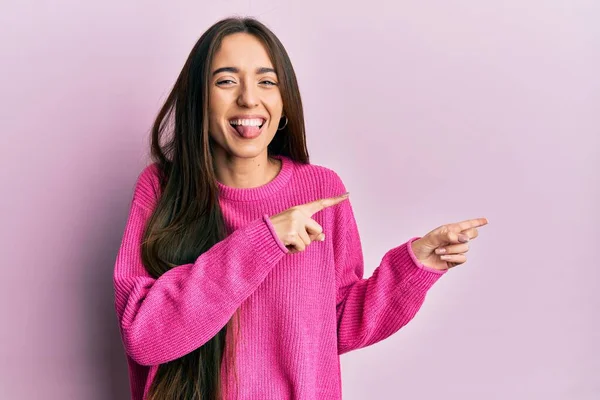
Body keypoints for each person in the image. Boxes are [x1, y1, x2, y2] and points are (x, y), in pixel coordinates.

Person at [112, 16, 488, 400]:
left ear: (283, 100)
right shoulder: (161, 189)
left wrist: (414, 266)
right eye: (226, 81)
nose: (248, 98)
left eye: (267, 81)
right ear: (198, 100)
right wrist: (263, 239)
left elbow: (335, 325)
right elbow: (144, 338)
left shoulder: (321, 190)